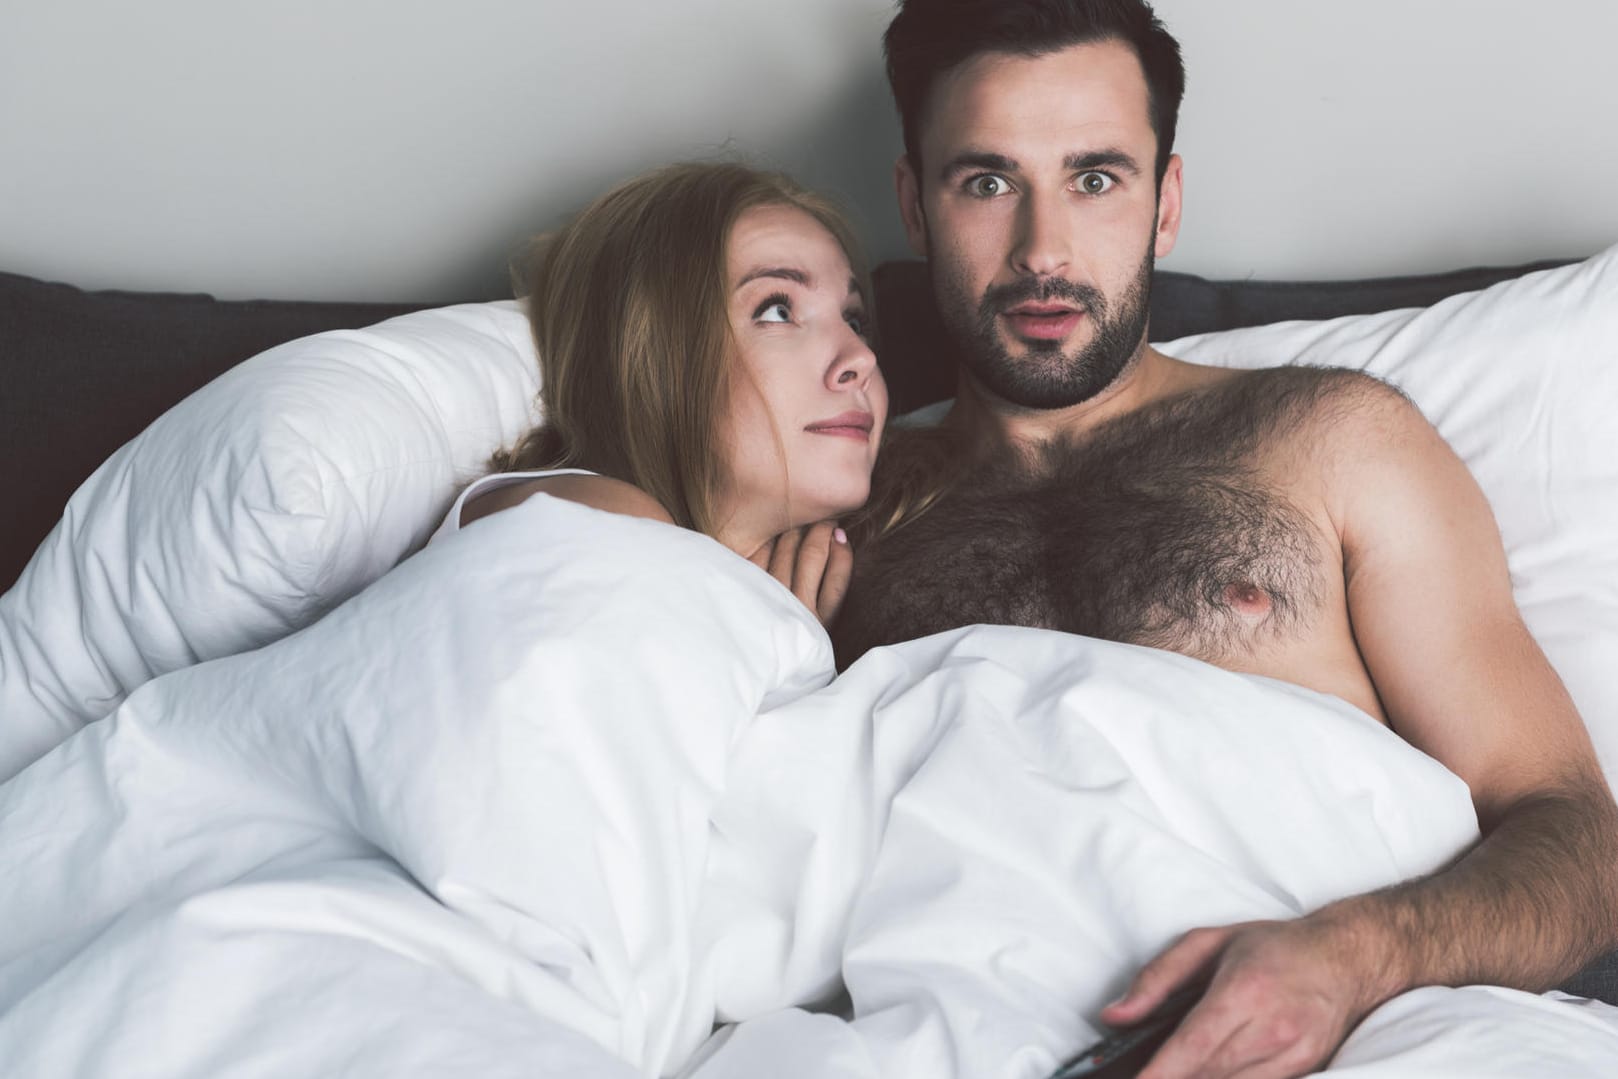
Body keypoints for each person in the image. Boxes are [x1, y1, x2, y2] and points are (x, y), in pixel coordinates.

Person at [834, 2, 1618, 1076]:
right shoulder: (844, 513)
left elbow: (1574, 837)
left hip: (1362, 1021)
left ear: (1166, 204)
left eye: (1096, 178)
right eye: (987, 181)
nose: (1042, 250)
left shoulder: (1329, 437)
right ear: (913, 207)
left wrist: (1350, 958)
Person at [434, 163, 888, 626]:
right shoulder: (581, 514)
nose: (862, 359)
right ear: (650, 355)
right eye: (777, 310)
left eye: (854, 320)